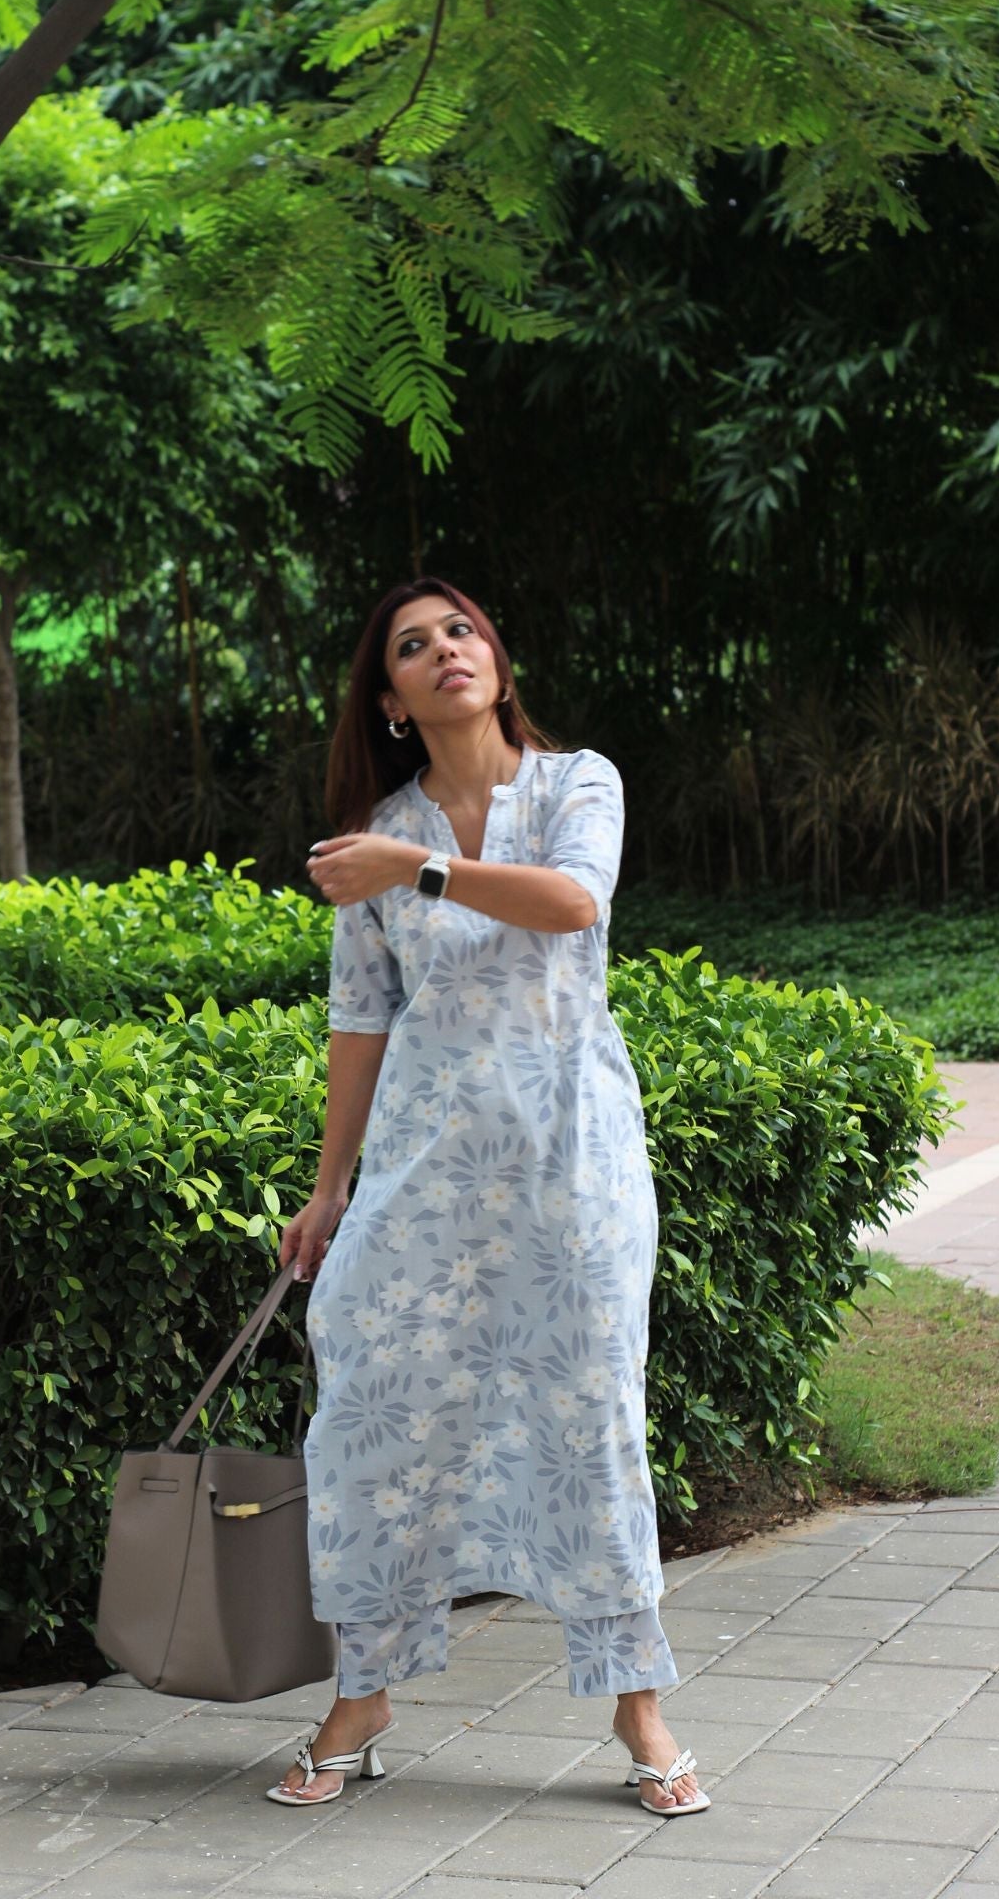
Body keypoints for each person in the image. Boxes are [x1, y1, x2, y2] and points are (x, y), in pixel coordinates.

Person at [269, 577, 709, 1817]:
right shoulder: (378, 833)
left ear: (497, 663)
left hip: (572, 1164)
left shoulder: (575, 785)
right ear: (392, 700)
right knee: (372, 1411)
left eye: (460, 630)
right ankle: (363, 1692)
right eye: (413, 646)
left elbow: (573, 900)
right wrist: (329, 1190)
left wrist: (415, 868)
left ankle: (638, 1702)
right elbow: (360, 1018)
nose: (445, 650)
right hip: (425, 1173)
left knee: (592, 1417)